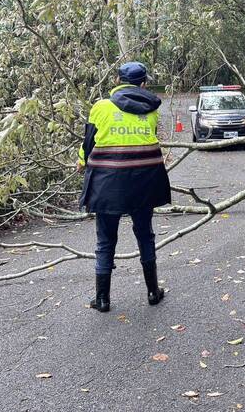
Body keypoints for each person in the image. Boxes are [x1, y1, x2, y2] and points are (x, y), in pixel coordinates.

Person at [77, 61, 171, 312]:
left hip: (109, 184)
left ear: (118, 81)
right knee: (145, 234)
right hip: (144, 182)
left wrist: (81, 162)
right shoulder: (151, 110)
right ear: (144, 83)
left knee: (106, 239)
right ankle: (153, 292)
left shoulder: (100, 107)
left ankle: (103, 299)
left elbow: (88, 143)